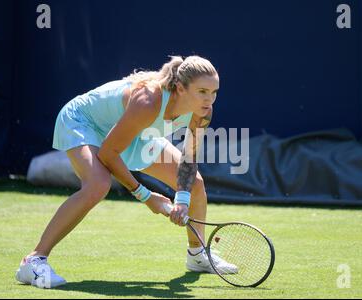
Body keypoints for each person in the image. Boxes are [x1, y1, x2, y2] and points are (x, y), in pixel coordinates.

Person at [15, 55, 238, 288]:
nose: (209, 100)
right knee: (98, 186)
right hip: (84, 122)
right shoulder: (149, 101)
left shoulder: (203, 112)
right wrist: (146, 196)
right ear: (181, 88)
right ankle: (33, 261)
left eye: (214, 92)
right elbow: (108, 154)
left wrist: (182, 200)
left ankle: (197, 254)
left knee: (195, 185)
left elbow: (189, 157)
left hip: (135, 133)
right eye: (202, 91)